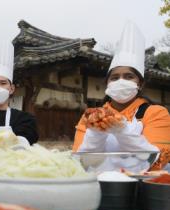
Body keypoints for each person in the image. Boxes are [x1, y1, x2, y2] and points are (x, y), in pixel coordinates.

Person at [73, 21, 170, 171]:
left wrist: (122, 132)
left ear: (140, 84)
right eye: (115, 77)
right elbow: (80, 163)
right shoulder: (90, 117)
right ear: (108, 84)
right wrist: (96, 132)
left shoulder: (156, 113)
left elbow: (157, 162)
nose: (121, 81)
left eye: (129, 76)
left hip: (141, 187)